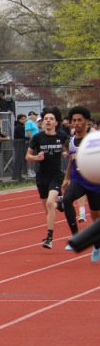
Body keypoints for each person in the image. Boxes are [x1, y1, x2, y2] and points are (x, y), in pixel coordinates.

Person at [61, 106, 100, 257]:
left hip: (94, 182)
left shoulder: (94, 140)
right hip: (78, 180)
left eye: (79, 120)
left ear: (87, 122)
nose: (76, 123)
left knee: (96, 216)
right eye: (74, 120)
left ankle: (97, 245)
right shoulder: (71, 141)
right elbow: (71, 160)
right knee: (66, 199)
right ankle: (75, 236)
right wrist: (67, 177)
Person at [26, 108, 67, 249]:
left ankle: (49, 238)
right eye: (46, 119)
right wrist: (35, 157)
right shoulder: (38, 137)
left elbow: (70, 149)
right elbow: (27, 156)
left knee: (50, 203)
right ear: (43, 122)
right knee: (48, 209)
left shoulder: (62, 137)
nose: (48, 121)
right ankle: (59, 204)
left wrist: (69, 153)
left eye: (51, 119)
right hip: (42, 177)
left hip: (56, 176)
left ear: (56, 122)